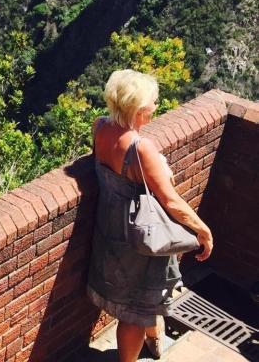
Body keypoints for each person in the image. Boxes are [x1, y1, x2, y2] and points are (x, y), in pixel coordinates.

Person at [87, 69, 213, 362]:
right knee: (135, 312)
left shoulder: (100, 127)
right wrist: (203, 231)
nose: (156, 107)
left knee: (131, 300)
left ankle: (155, 339)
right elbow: (170, 201)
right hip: (138, 238)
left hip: (109, 228)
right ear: (140, 108)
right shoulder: (140, 147)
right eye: (153, 102)